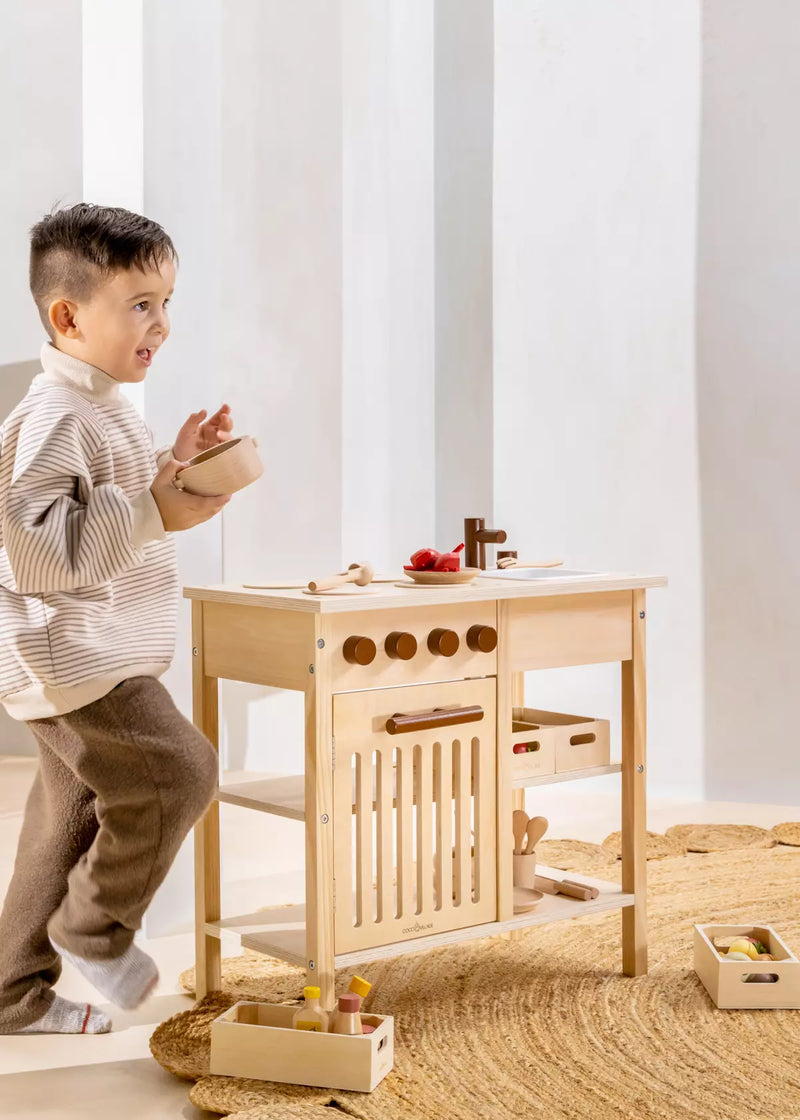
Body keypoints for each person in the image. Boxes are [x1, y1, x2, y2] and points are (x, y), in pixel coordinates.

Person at [0, 203, 232, 1034]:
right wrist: (155, 509)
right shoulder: (56, 416)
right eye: (140, 304)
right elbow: (32, 552)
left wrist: (175, 465)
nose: (161, 324)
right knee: (179, 771)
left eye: (166, 303)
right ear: (68, 316)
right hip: (75, 655)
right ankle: (94, 931)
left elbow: (120, 506)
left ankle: (12, 993)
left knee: (65, 821)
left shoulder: (100, 407)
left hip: (89, 651)